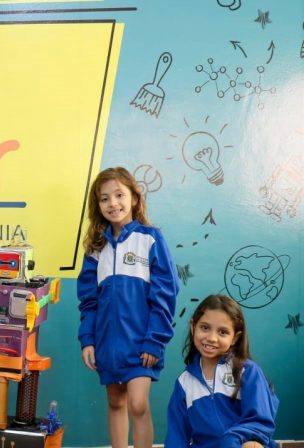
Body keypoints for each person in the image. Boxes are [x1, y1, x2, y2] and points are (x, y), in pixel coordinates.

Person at [77, 166, 180, 448]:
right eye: (105, 198)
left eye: (119, 195)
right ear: (98, 206)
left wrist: (154, 340)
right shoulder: (95, 248)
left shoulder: (151, 239)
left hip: (142, 341)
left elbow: (165, 294)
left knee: (137, 404)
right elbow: (88, 301)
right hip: (107, 342)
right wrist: (88, 340)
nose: (113, 203)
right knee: (115, 402)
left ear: (134, 198)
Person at [166, 294, 279, 448]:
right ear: (193, 327)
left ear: (235, 338)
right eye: (205, 328)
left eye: (223, 332)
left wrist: (231, 440)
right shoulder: (184, 383)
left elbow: (260, 422)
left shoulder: (247, 371)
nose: (212, 338)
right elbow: (177, 435)